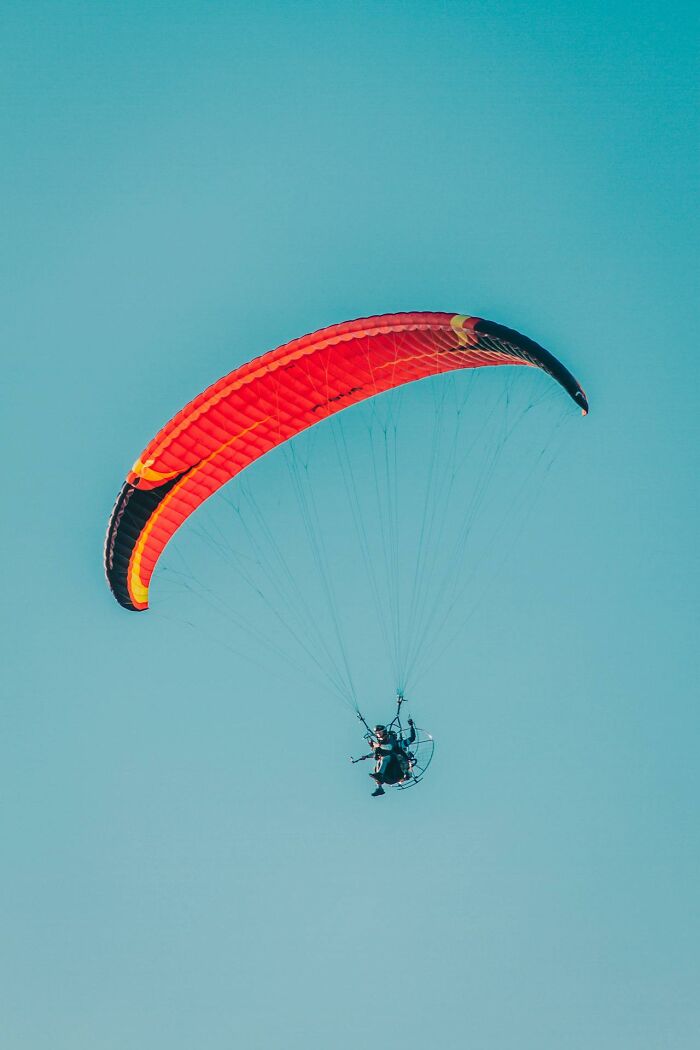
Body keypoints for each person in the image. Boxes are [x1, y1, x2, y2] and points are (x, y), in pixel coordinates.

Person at [369, 719, 416, 797]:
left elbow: (412, 738)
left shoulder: (398, 744)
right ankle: (379, 788)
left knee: (385, 758)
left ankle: (380, 775)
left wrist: (411, 726)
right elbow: (375, 753)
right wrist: (365, 756)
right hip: (388, 777)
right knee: (378, 764)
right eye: (377, 734)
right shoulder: (381, 747)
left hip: (397, 771)